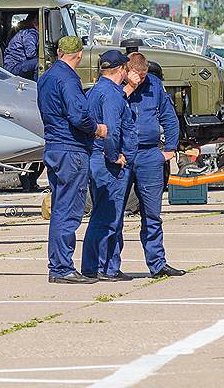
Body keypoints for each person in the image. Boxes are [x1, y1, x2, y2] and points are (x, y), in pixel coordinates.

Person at [37, 35, 107, 284]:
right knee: (69, 211)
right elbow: (78, 114)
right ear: (79, 55)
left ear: (58, 52)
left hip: (55, 147)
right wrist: (97, 128)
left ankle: (59, 265)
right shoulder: (67, 79)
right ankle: (62, 267)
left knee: (59, 209)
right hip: (71, 150)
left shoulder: (46, 78)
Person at [123, 52, 186, 278]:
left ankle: (158, 263)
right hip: (122, 156)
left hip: (149, 155)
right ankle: (109, 266)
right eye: (137, 75)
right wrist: (128, 86)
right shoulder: (117, 87)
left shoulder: (154, 85)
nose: (141, 80)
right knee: (114, 213)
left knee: (152, 214)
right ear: (126, 71)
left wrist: (169, 149)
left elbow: (169, 117)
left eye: (143, 75)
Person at [81, 50, 137, 281]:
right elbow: (111, 130)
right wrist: (114, 156)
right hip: (108, 164)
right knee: (107, 216)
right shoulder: (112, 95)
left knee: (105, 214)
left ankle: (108, 266)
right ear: (122, 69)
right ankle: (99, 267)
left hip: (97, 159)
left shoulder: (96, 91)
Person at [4, 16, 39, 80]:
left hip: (17, 64)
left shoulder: (28, 32)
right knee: (39, 62)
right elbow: (30, 54)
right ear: (35, 23)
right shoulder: (30, 33)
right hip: (14, 66)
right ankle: (38, 86)